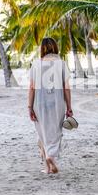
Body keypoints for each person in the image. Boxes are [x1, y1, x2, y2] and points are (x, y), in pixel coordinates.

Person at [28, 37, 73, 174]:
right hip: (57, 103)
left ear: (42, 49)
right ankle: (50, 157)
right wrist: (69, 107)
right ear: (55, 47)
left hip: (39, 103)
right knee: (55, 131)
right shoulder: (62, 64)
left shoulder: (36, 64)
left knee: (42, 131)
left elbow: (32, 87)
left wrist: (30, 107)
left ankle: (47, 167)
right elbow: (66, 88)